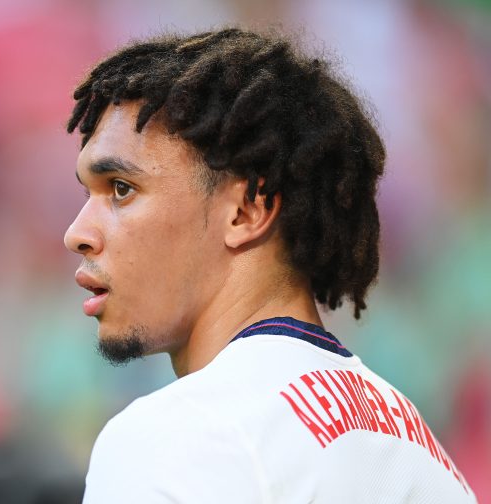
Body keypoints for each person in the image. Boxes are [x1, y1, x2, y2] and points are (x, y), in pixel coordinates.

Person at [63, 27, 476, 503]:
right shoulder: (422, 453)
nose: (77, 233)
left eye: (120, 188)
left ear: (247, 211)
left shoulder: (174, 437)